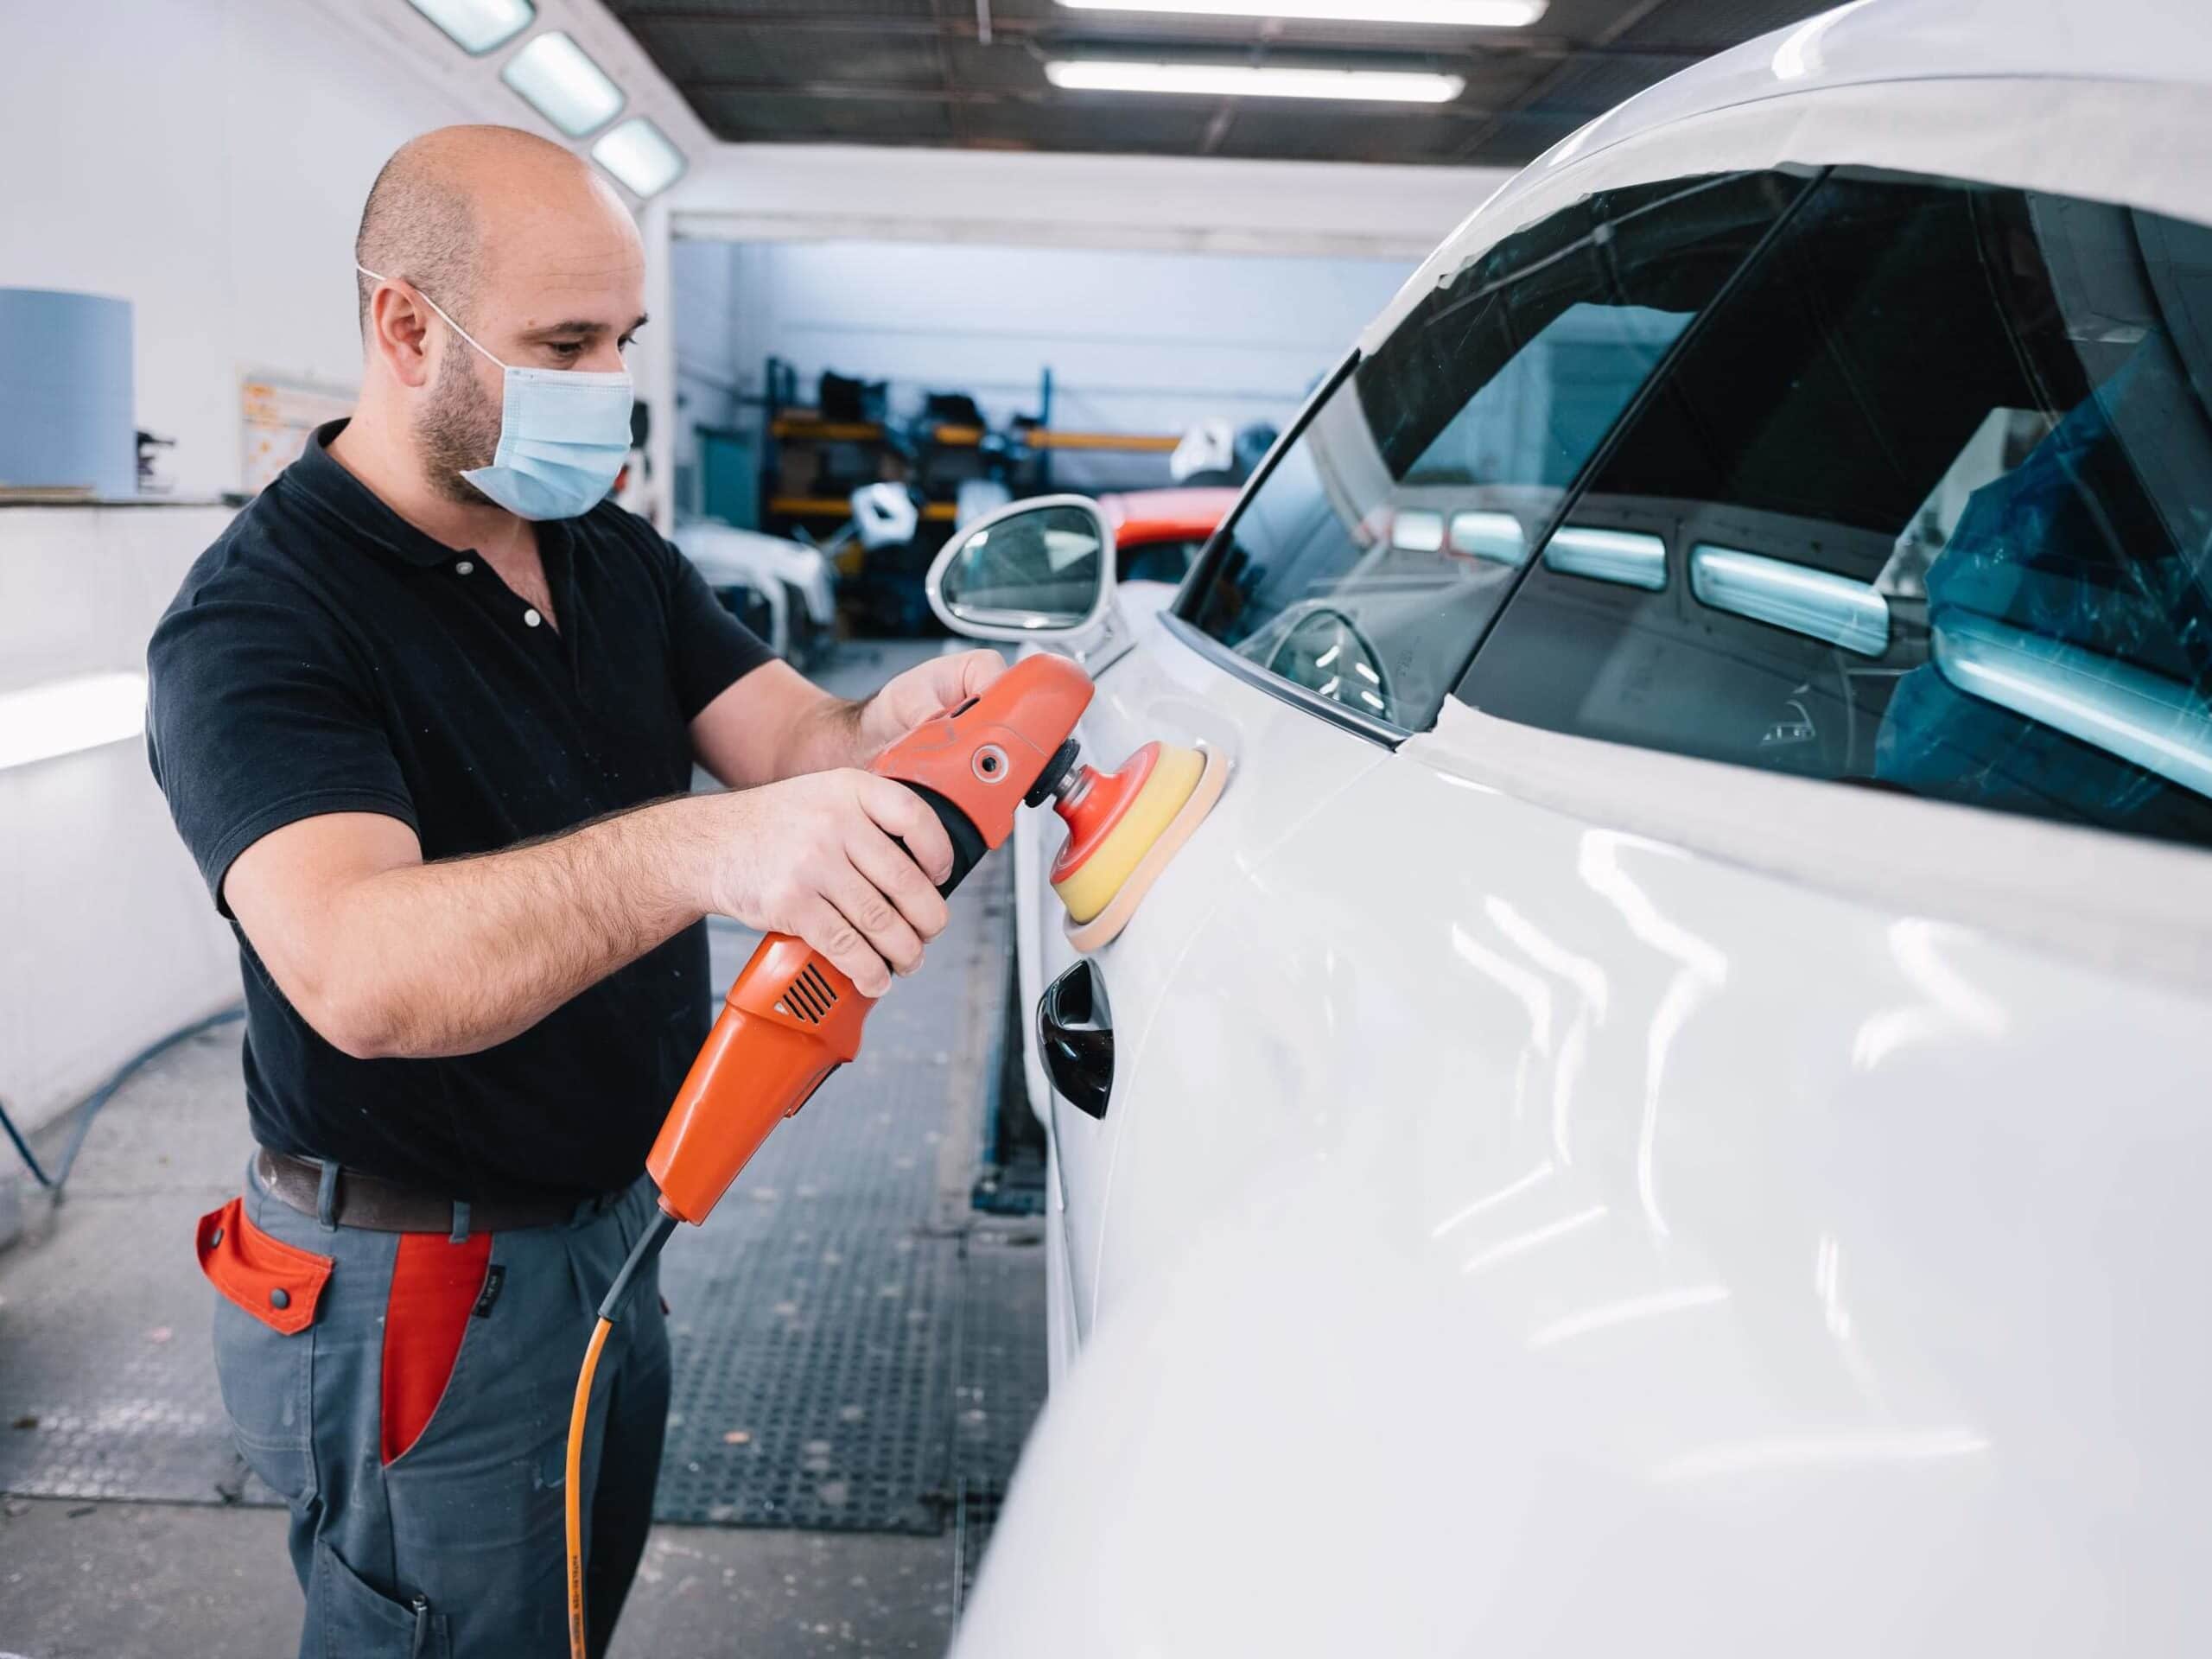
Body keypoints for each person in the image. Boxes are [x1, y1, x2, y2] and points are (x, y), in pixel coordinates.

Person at [144, 124, 1002, 1658]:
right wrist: (706, 852)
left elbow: (792, 739)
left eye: (623, 339)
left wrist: (891, 729)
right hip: (419, 1279)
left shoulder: (601, 549)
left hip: (612, 1230)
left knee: (560, 1629)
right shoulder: (262, 621)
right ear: (407, 326)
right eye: (563, 343)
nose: (609, 385)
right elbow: (361, 970)